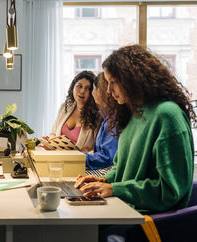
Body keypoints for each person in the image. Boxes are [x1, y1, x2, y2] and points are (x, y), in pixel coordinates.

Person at [75, 44, 196, 215]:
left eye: (113, 83)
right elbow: (122, 168)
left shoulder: (167, 115)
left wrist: (114, 189)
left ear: (133, 78)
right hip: (125, 208)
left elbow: (170, 191)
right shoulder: (132, 114)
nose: (109, 91)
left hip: (149, 219)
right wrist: (103, 180)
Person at [48, 70, 99, 152]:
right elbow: (53, 134)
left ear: (93, 92)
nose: (82, 91)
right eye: (79, 86)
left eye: (88, 88)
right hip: (59, 159)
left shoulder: (97, 114)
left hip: (81, 162)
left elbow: (97, 149)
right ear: (73, 87)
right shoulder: (64, 107)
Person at [84, 72, 118, 170]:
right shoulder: (106, 115)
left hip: (106, 171)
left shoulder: (113, 119)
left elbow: (107, 158)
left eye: (93, 89)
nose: (92, 93)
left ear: (100, 90)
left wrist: (77, 156)